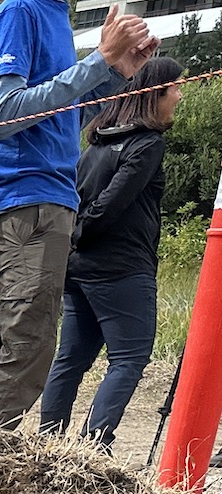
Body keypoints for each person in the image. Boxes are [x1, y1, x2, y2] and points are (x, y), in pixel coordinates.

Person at [0, 3, 155, 429]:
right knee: (29, 348)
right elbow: (4, 114)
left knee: (1, 346)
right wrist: (99, 59)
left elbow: (64, 117)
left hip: (40, 205)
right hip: (27, 205)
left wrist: (116, 72)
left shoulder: (55, 15)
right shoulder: (22, 9)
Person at [37, 56, 183, 452]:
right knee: (130, 357)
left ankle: (46, 444)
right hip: (121, 268)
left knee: (71, 358)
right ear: (156, 93)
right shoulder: (147, 144)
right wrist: (81, 233)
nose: (179, 96)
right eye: (176, 88)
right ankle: (92, 447)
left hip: (79, 267)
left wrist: (73, 241)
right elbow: (112, 203)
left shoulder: (96, 144)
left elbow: (78, 198)